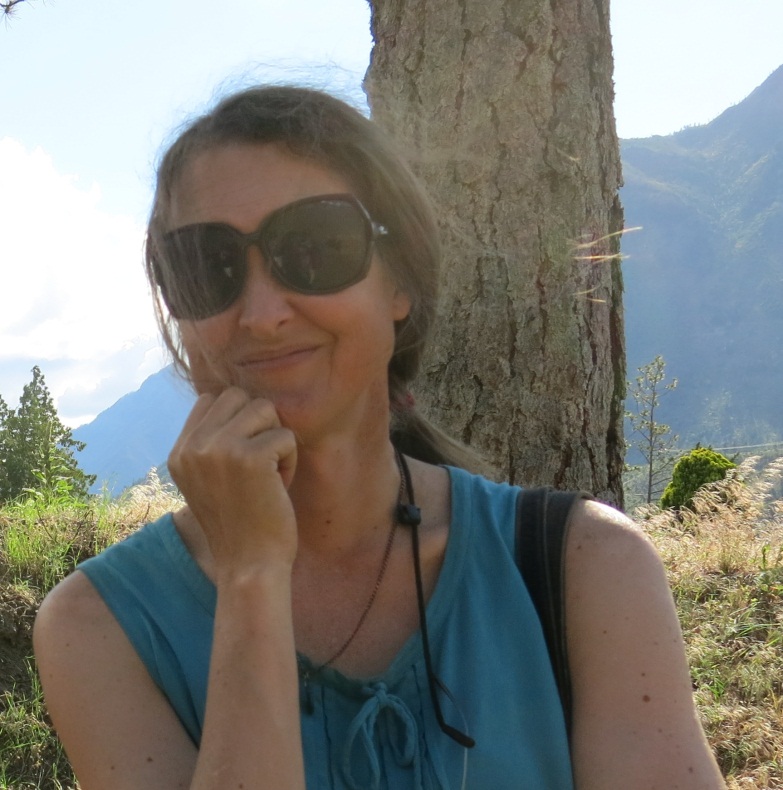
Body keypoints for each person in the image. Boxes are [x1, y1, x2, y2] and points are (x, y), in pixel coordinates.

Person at [33, 85, 725, 790]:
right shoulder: (99, 627)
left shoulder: (586, 569)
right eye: (206, 265)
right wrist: (251, 576)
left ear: (400, 283)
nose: (262, 313)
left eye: (315, 247)